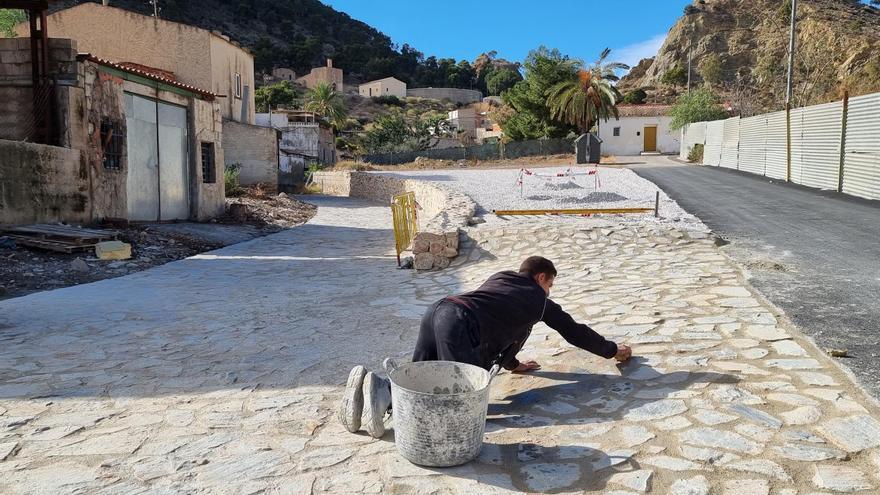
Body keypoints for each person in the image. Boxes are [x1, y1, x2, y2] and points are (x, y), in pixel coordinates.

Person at [339, 256, 633, 438]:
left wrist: (515, 365)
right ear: (541, 277)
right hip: (460, 323)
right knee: (458, 399)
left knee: (421, 376)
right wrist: (612, 350)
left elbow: (500, 324)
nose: (549, 291)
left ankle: (376, 391)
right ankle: (387, 403)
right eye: (550, 284)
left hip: (439, 310)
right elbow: (573, 331)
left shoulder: (501, 277)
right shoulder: (539, 299)